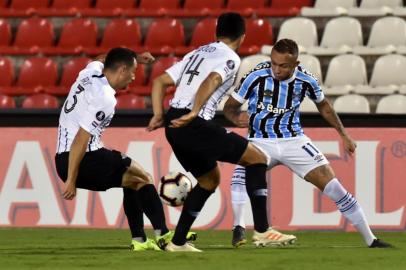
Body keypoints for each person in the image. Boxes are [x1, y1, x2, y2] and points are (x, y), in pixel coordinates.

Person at [224, 38, 392, 248]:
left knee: (334, 187)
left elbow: (324, 106)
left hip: (294, 141)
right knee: (240, 175)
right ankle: (238, 227)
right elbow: (229, 107)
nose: (276, 69)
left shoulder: (306, 80)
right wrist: (235, 118)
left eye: (283, 65)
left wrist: (344, 134)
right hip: (260, 140)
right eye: (273, 63)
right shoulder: (256, 76)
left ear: (295, 63)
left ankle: (371, 239)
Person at [148, 12, 291, 252]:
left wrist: (158, 114)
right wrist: (195, 111)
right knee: (257, 159)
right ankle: (263, 230)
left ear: (217, 33)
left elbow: (159, 81)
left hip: (174, 123)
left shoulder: (197, 53)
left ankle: (178, 242)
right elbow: (213, 80)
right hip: (194, 123)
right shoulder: (231, 57)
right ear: (242, 37)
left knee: (209, 180)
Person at [54, 47, 194, 251]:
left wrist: (134, 58)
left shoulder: (89, 72)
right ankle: (164, 235)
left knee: (134, 181)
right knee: (143, 178)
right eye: (132, 71)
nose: (134, 77)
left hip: (66, 156)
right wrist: (71, 180)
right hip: (83, 158)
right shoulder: (105, 98)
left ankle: (139, 240)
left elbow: (101, 57)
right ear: (121, 70)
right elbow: (81, 139)